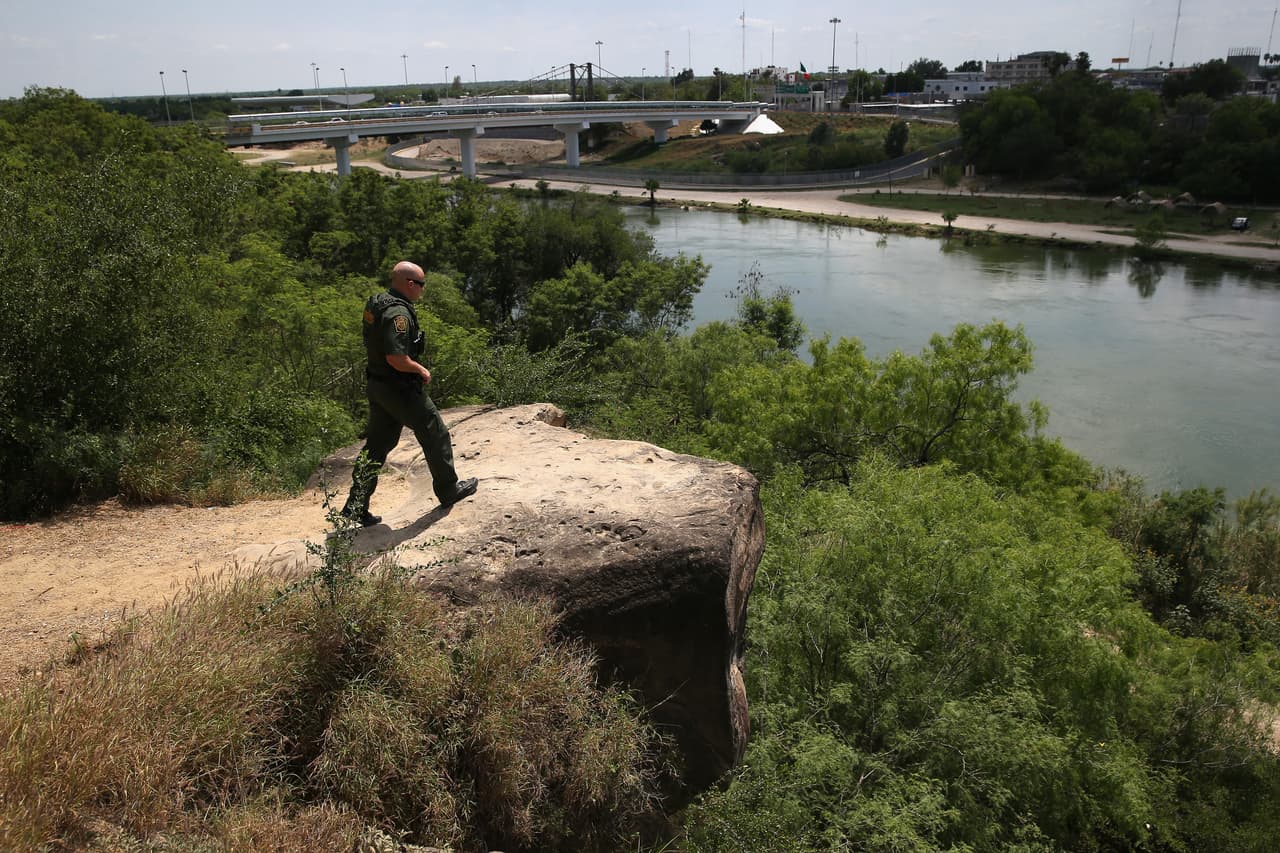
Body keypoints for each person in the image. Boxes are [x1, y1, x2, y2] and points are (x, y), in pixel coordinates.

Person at [342, 261, 477, 525]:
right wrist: (421, 370)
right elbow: (396, 357)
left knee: (377, 447)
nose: (423, 291)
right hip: (399, 387)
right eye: (422, 285)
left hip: (378, 386)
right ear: (410, 284)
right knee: (435, 432)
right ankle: (449, 490)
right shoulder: (398, 315)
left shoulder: (377, 302)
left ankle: (355, 506)